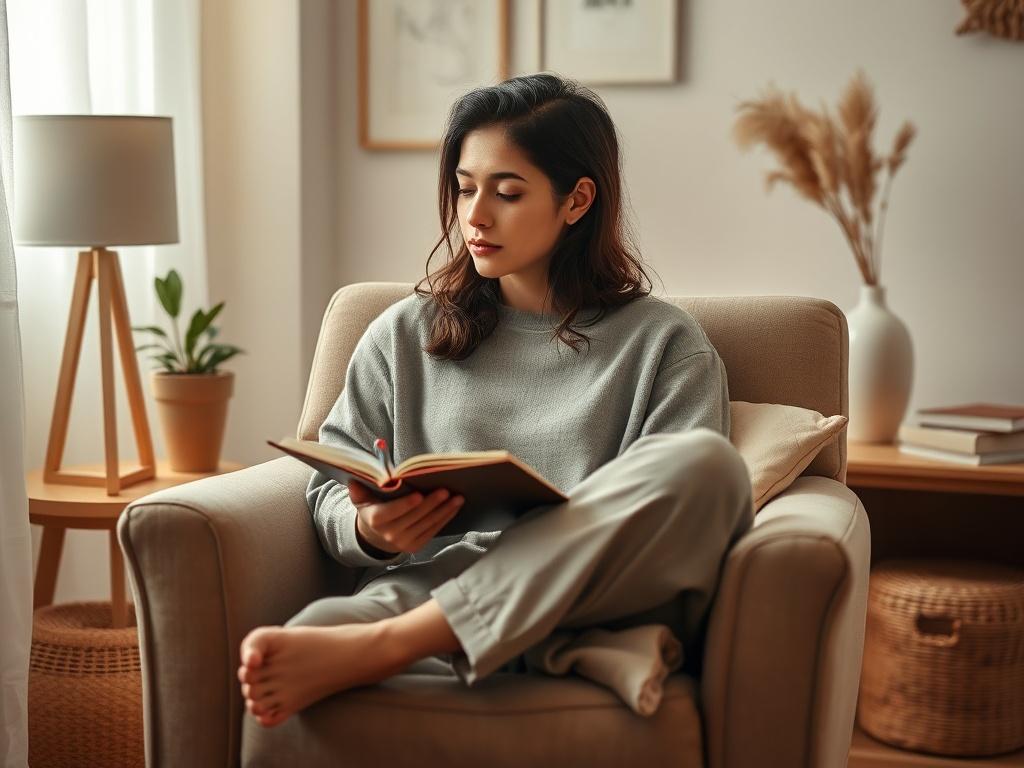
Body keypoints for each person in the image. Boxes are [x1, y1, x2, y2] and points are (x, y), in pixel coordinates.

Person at [237, 72, 754, 729]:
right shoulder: (403, 334)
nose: (475, 216)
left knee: (708, 465)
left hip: (591, 602)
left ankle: (411, 647)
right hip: (421, 588)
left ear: (577, 201)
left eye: (507, 193)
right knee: (318, 629)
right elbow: (328, 484)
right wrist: (368, 527)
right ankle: (534, 653)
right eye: (464, 188)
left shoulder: (665, 345)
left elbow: (680, 525)